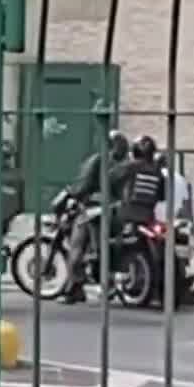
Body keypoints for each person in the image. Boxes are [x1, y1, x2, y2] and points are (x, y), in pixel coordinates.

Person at [62, 130, 131, 304]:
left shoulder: (99, 160)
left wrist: (73, 194)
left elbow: (83, 185)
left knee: (76, 247)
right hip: (118, 212)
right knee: (101, 249)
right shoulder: (127, 165)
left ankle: (75, 287)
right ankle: (105, 283)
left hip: (94, 210)